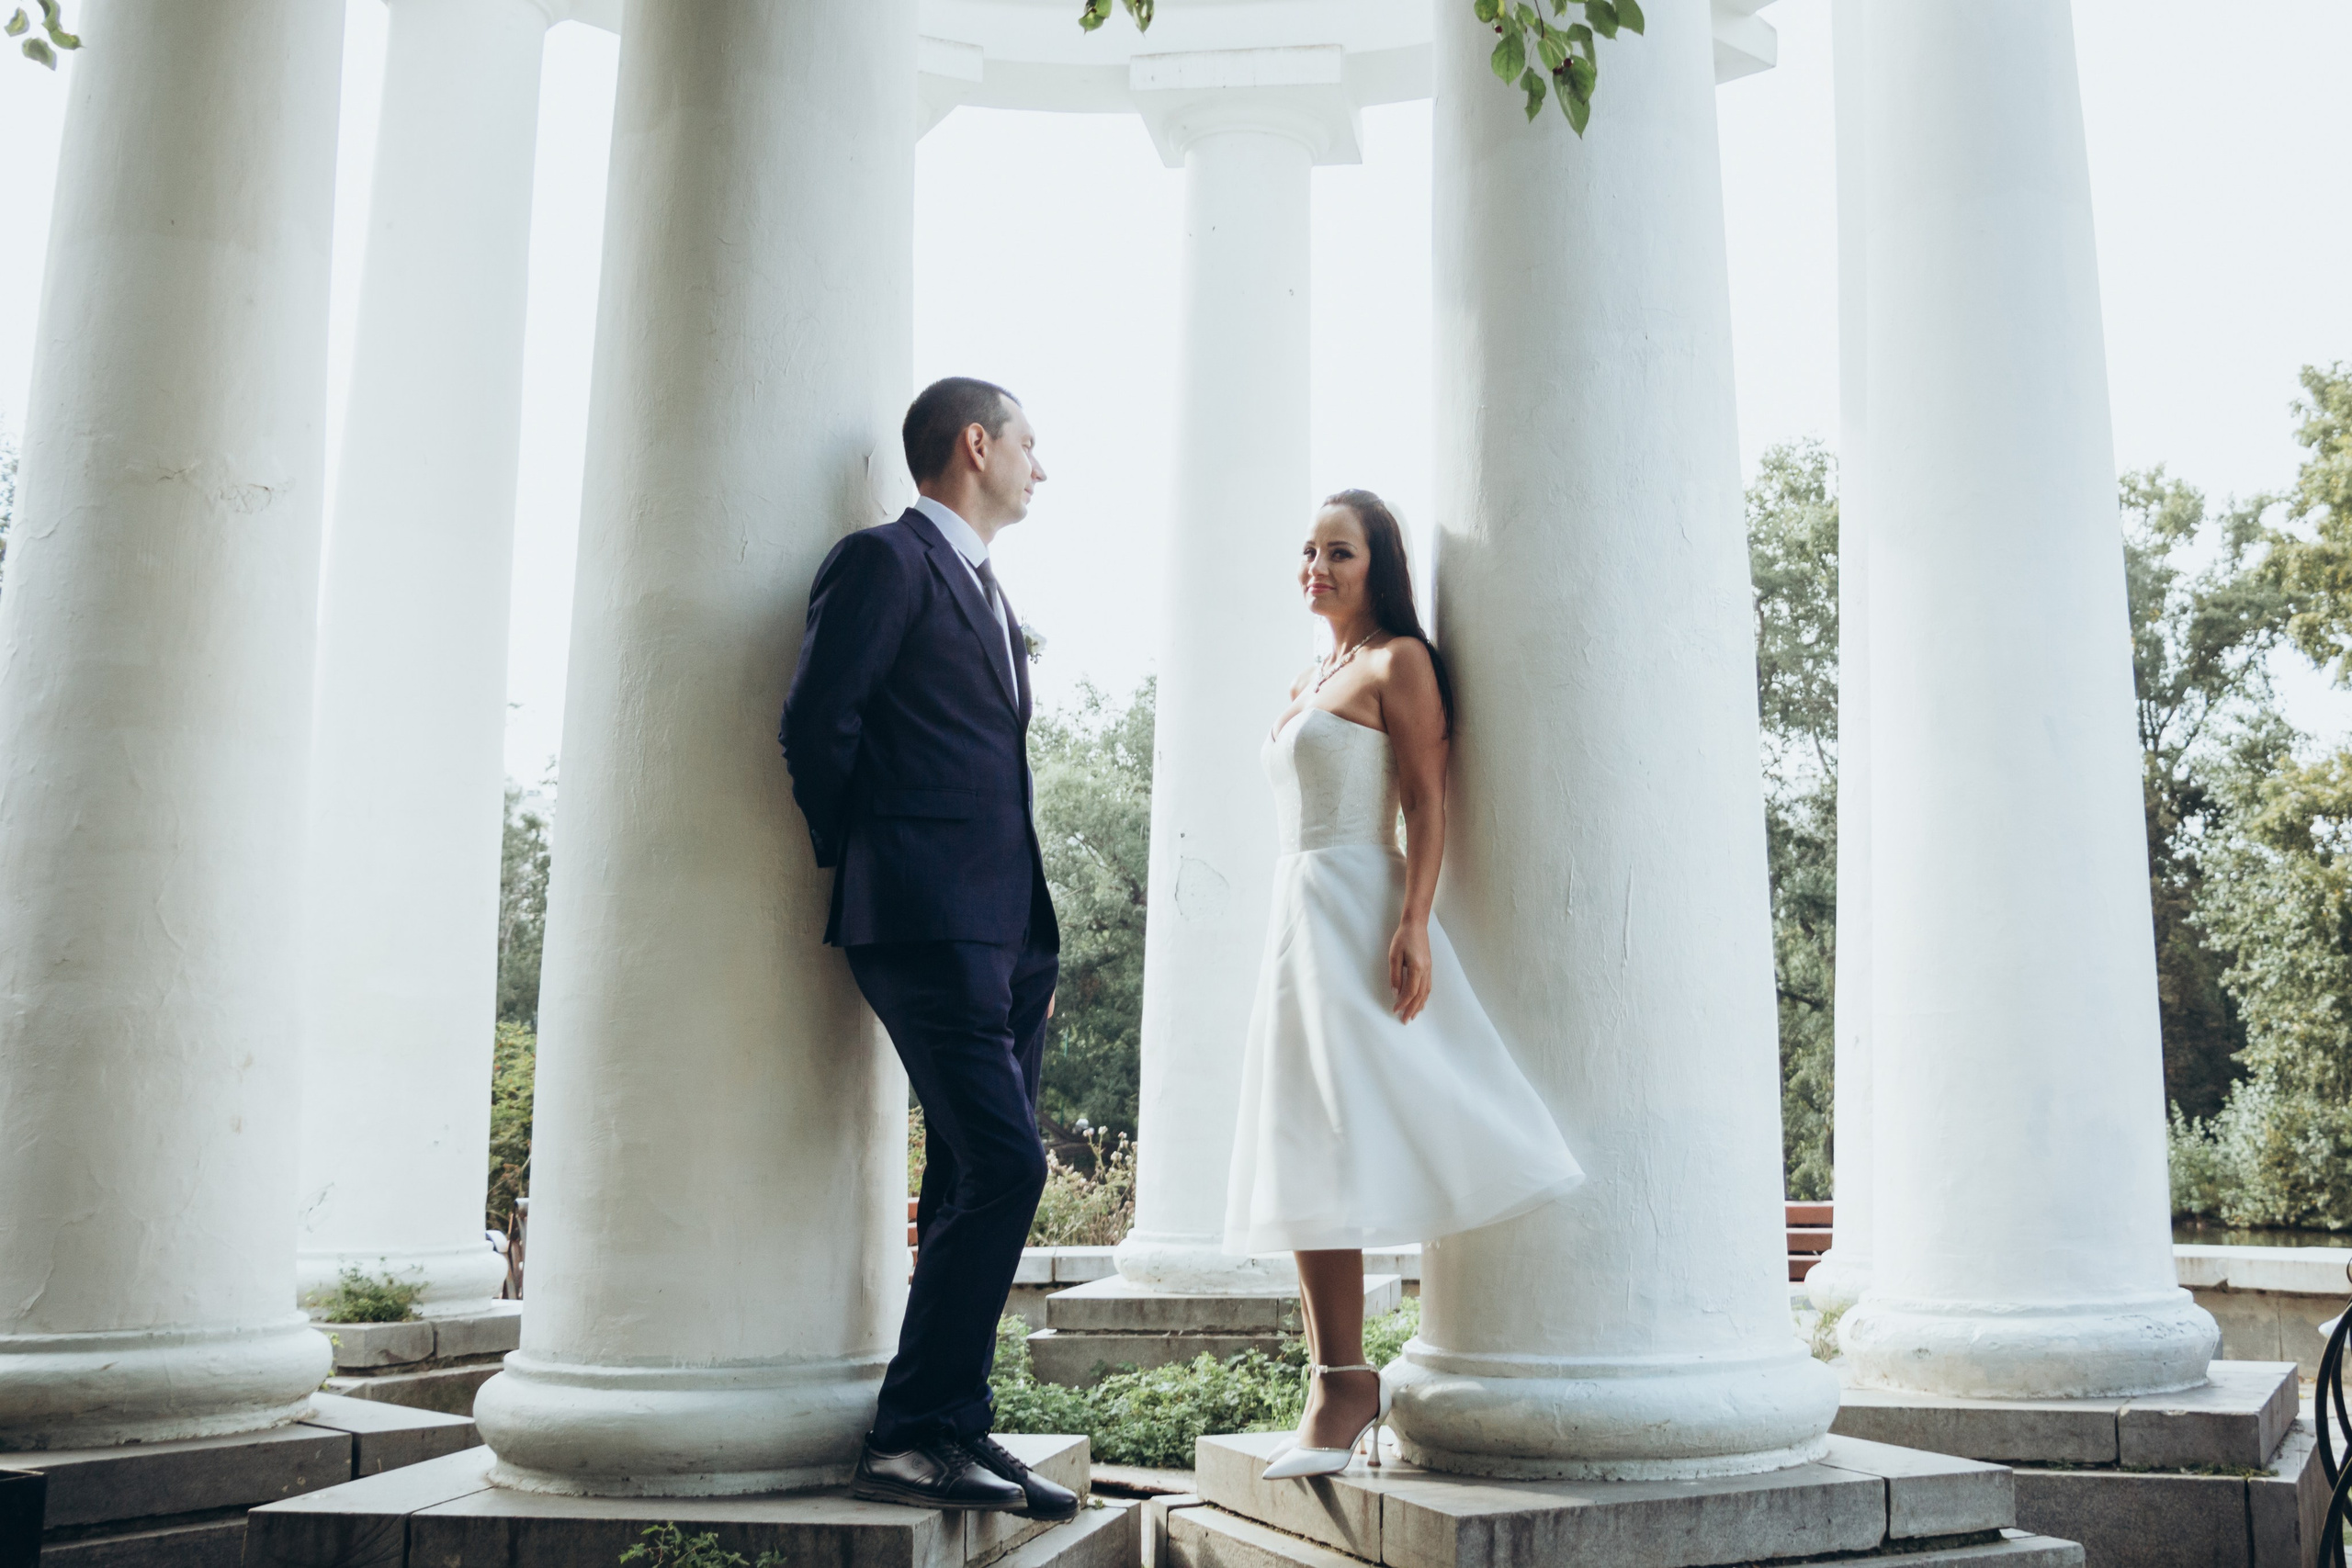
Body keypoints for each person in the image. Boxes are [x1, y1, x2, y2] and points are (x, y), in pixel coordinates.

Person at [1225, 490, 1585, 1481]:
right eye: (1308, 550)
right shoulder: (1309, 675)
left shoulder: (1400, 664)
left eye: (1339, 551)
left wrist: (1415, 919)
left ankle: (1345, 1384)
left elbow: (1428, 800)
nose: (1317, 566)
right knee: (1298, 1135)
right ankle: (1337, 1378)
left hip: (1359, 907)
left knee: (1366, 1122)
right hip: (1297, 918)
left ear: (1379, 563)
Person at [779, 377, 1077, 1518]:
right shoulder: (885, 562)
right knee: (1009, 1165)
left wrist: (1026, 940)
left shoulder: (987, 590)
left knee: (967, 1172)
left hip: (1004, 934)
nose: (1041, 466)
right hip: (921, 915)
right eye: (1030, 444)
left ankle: (949, 1427)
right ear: (976, 444)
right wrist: (878, 860)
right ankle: (909, 1436)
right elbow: (816, 724)